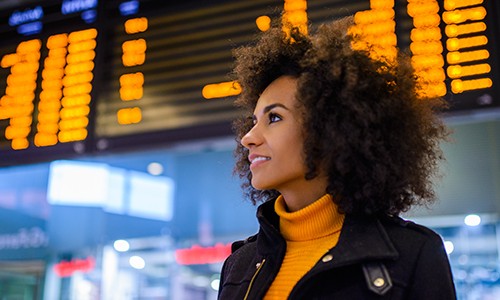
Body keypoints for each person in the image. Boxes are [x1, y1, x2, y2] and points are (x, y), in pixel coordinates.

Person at [218, 16, 456, 300]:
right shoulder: (238, 265)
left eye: (275, 117)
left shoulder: (412, 254)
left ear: (332, 128)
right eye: (254, 121)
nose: (248, 138)